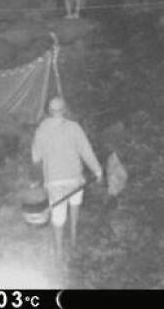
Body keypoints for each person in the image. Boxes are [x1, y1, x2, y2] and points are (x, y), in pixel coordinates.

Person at [32, 96, 103, 258]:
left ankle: (58, 251)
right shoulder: (74, 128)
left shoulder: (41, 130)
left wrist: (37, 179)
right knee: (75, 205)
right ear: (64, 110)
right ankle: (73, 237)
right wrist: (98, 171)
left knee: (58, 217)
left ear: (48, 112)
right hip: (75, 180)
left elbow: (36, 158)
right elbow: (86, 151)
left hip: (54, 182)